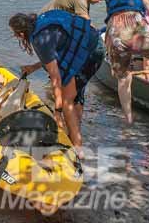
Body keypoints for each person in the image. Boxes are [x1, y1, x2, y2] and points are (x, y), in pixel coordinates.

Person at [11, 10, 103, 152]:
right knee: (75, 95)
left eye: (15, 34)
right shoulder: (44, 20)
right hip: (94, 44)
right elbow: (59, 51)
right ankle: (74, 135)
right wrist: (33, 68)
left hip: (88, 53)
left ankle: (78, 150)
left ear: (21, 34)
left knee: (66, 101)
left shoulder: (39, 40)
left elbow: (56, 78)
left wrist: (57, 112)